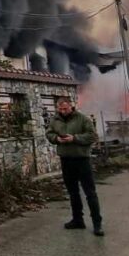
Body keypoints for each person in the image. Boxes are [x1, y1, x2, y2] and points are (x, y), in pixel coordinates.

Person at [45, 96, 103, 236]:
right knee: (73, 192)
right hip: (66, 160)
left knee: (90, 193)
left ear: (71, 106)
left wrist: (75, 138)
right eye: (60, 109)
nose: (63, 111)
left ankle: (97, 224)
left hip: (82, 159)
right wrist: (56, 138)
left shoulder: (82, 119)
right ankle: (78, 220)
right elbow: (49, 133)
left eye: (65, 108)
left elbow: (92, 136)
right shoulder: (55, 120)